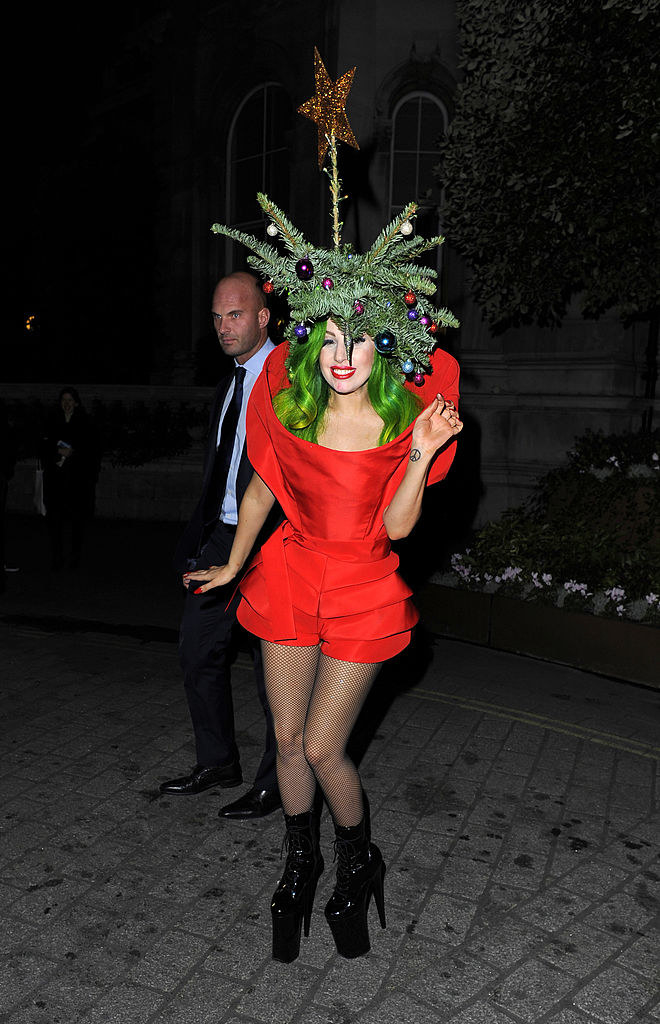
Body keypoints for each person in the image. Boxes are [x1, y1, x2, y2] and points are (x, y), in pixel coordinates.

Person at [186, 186, 462, 963]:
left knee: (320, 748)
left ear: (382, 348)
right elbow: (267, 482)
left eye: (359, 342)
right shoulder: (298, 402)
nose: (342, 357)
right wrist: (233, 563)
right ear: (315, 340)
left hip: (362, 587)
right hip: (291, 575)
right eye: (331, 338)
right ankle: (297, 862)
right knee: (282, 737)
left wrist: (417, 452)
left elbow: (402, 526)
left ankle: (357, 858)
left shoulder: (395, 418)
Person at [161, 272, 282, 821]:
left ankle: (277, 784)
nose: (222, 327)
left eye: (235, 315)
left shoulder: (290, 378)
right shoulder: (229, 383)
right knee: (195, 649)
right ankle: (218, 761)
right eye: (216, 317)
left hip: (276, 545)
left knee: (273, 675)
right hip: (222, 538)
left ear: (263, 317)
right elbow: (220, 471)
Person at [40, 387, 100, 570]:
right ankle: (57, 556)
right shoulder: (52, 421)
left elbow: (93, 449)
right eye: (63, 400)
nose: (66, 404)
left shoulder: (85, 422)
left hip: (77, 481)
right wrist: (57, 451)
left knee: (76, 521)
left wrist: (74, 452)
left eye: (70, 400)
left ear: (76, 402)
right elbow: (43, 445)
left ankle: (75, 557)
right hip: (56, 480)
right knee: (55, 521)